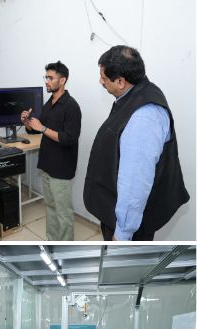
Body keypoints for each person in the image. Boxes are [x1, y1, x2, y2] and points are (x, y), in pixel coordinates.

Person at [84, 45, 189, 240]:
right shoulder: (139, 92)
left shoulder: (143, 117)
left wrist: (122, 234)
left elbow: (134, 184)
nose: (101, 82)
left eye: (104, 78)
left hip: (129, 227)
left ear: (120, 81)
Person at [20, 61, 82, 241]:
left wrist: (43, 128)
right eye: (46, 77)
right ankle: (52, 240)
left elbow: (69, 138)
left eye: (50, 78)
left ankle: (66, 247)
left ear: (62, 80)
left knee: (63, 212)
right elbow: (36, 130)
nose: (46, 81)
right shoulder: (49, 103)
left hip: (61, 169)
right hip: (47, 164)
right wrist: (27, 122)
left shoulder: (71, 106)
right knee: (50, 207)